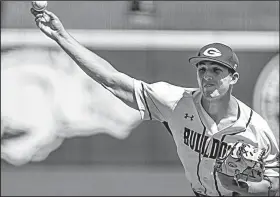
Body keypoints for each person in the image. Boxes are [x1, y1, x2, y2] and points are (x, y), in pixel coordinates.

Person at [30, 8, 279, 196]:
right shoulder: (174, 101)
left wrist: (242, 186)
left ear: (233, 77)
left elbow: (275, 183)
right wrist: (61, 37)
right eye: (202, 69)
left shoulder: (256, 129)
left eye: (216, 70)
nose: (207, 76)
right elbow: (112, 80)